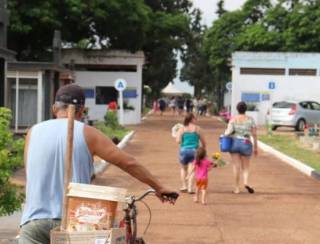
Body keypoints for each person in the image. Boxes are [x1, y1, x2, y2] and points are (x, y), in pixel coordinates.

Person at [19, 84, 178, 244]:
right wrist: (158, 187)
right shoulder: (88, 133)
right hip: (73, 224)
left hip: (33, 224)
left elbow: (30, 174)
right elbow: (128, 163)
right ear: (82, 111)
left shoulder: (32, 132)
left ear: (54, 108)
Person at [224, 101, 258, 194]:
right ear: (246, 109)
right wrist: (255, 147)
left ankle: (236, 188)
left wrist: (225, 134)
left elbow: (228, 132)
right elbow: (254, 134)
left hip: (234, 143)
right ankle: (246, 183)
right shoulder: (251, 120)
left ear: (237, 109)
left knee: (236, 166)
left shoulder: (233, 119)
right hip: (246, 143)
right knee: (246, 167)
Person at [176, 113, 206, 194]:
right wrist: (203, 149)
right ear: (192, 119)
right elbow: (203, 142)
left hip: (184, 150)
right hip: (194, 151)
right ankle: (190, 188)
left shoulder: (182, 129)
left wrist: (183, 142)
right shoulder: (197, 129)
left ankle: (184, 186)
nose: (196, 120)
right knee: (192, 170)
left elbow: (178, 141)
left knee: (183, 168)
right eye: (195, 118)